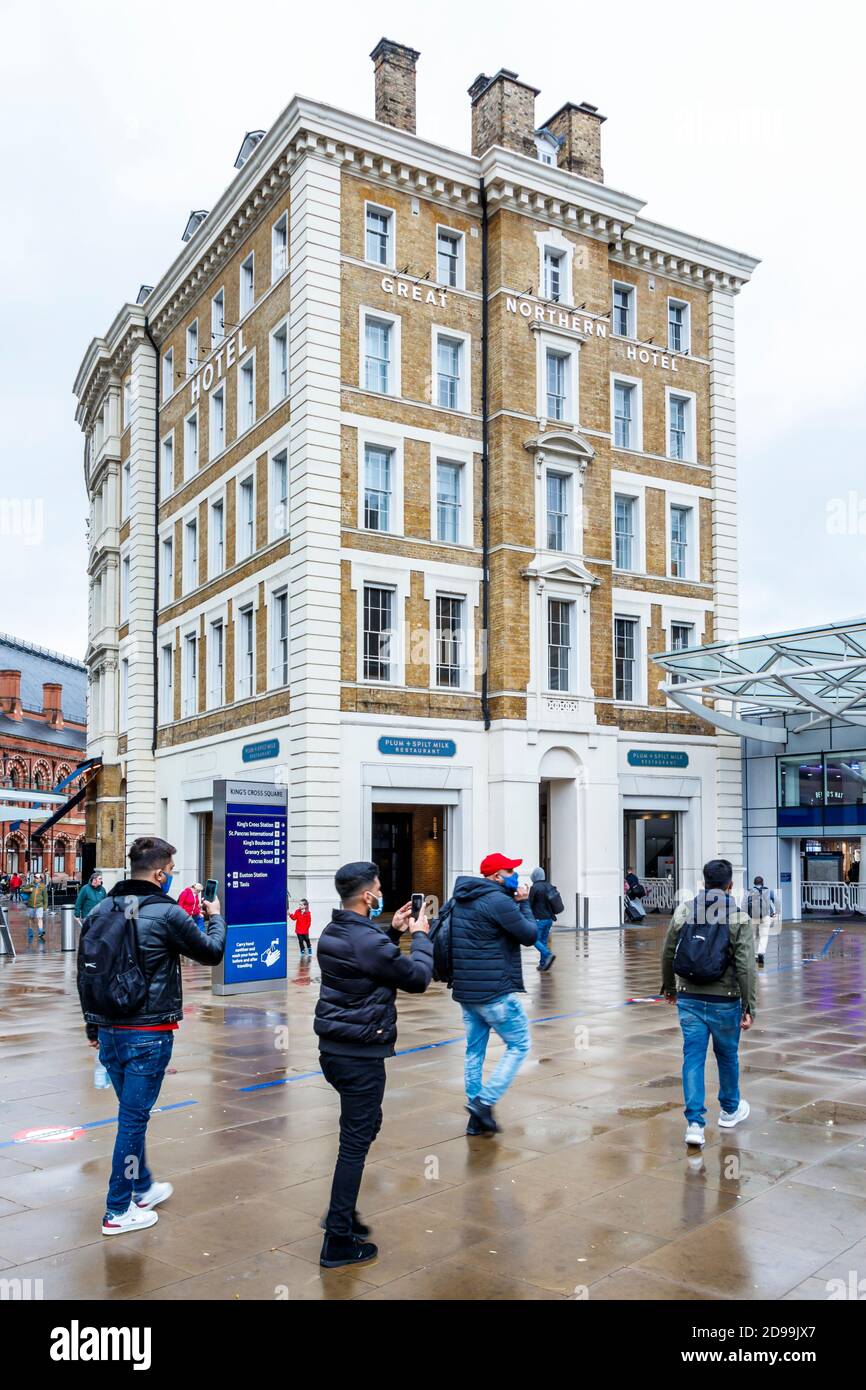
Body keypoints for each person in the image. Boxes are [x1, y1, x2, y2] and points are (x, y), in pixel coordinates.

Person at [77, 836, 226, 1237]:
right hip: (147, 1032)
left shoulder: (104, 907)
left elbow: (85, 970)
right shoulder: (167, 912)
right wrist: (215, 915)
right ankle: (117, 1209)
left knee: (130, 1113)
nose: (172, 877)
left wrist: (93, 1025)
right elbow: (211, 953)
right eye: (171, 871)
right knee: (132, 1121)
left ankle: (143, 1187)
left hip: (108, 1030)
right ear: (160, 873)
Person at [315, 861, 433, 1270]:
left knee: (364, 1129)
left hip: (333, 1050)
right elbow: (417, 979)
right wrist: (419, 937)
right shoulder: (366, 941)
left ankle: (342, 1214)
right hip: (360, 1055)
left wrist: (393, 932)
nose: (382, 892)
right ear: (368, 896)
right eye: (379, 887)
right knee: (355, 1144)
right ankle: (338, 1239)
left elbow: (365, 962)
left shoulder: (334, 930)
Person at [661, 857, 756, 1148]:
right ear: (730, 885)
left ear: (704, 883)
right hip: (725, 999)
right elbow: (746, 967)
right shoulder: (738, 917)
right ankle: (729, 1110)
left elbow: (667, 951)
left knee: (693, 1057)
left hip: (689, 996)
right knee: (727, 1056)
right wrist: (749, 1006)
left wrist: (669, 988)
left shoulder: (685, 910)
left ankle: (694, 1124)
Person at [448, 853, 537, 1137]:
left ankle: (475, 1118)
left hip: (467, 991)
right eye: (509, 871)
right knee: (520, 1044)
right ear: (495, 877)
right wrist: (524, 904)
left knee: (474, 1051)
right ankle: (484, 1103)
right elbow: (529, 935)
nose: (515, 875)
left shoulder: (461, 898)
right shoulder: (498, 901)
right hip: (495, 991)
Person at [528, 866, 560, 972]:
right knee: (543, 941)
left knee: (534, 939)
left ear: (535, 876)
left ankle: (548, 954)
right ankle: (542, 964)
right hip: (549, 919)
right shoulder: (549, 885)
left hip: (539, 919)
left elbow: (529, 904)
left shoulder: (535, 888)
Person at [744, 875, 777, 967]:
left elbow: (744, 904)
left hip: (753, 917)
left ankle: (755, 955)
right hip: (765, 917)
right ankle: (761, 953)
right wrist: (774, 912)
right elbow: (776, 901)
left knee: (754, 936)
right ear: (763, 883)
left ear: (754, 883)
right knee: (764, 936)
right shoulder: (768, 891)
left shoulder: (749, 892)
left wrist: (746, 916)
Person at [27, 873, 47, 941]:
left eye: (37, 878)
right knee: (31, 918)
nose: (35, 879)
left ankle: (40, 931)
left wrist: (45, 906)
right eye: (35, 877)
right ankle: (30, 931)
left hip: (39, 905)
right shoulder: (31, 884)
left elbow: (45, 897)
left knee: (39, 918)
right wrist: (29, 890)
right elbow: (22, 889)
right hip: (31, 904)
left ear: (40, 879)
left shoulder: (43, 886)